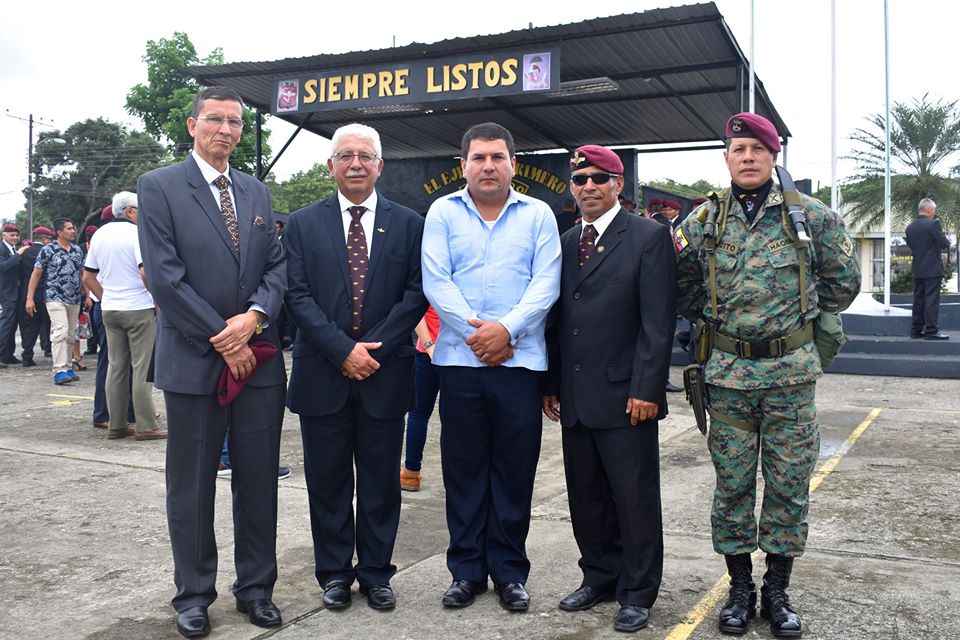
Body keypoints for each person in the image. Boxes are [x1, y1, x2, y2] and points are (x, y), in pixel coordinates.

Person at [675, 112, 860, 638]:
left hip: (790, 378)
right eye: (739, 149)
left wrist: (795, 321)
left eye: (758, 148)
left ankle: (777, 591)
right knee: (731, 486)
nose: (748, 157)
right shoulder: (704, 220)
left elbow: (843, 282)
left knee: (788, 486)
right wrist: (721, 324)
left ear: (774, 155)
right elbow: (682, 284)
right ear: (727, 158)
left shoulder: (812, 217)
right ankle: (740, 590)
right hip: (728, 378)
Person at [137, 85, 287, 638]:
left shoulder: (256, 191)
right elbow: (165, 276)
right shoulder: (159, 186)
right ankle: (194, 594)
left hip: (258, 362)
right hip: (196, 361)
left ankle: (257, 589)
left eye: (234, 122)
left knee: (258, 482)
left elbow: (276, 268)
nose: (225, 130)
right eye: (215, 119)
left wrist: (253, 319)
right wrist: (224, 337)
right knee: (192, 486)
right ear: (192, 125)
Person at [284, 122, 426, 612]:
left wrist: (372, 352)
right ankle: (335, 575)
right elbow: (296, 295)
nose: (356, 164)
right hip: (322, 373)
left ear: (380, 165)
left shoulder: (409, 223)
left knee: (381, 481)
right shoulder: (303, 223)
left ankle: (376, 573)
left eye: (365, 156)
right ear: (331, 166)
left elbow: (415, 294)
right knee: (327, 482)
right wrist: (343, 350)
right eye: (345, 155)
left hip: (384, 374)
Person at [422, 122, 561, 612]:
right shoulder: (442, 212)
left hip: (518, 365)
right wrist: (480, 335)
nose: (488, 166)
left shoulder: (538, 215)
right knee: (463, 470)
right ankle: (465, 571)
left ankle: (509, 572)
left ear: (513, 165)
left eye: (497, 157)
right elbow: (436, 280)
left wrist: (507, 331)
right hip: (460, 364)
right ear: (463, 165)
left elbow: (546, 284)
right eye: (478, 158)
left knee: (513, 470)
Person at [543, 145, 676, 633]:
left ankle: (637, 592)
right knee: (587, 496)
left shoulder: (647, 236)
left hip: (627, 396)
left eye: (600, 178)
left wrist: (648, 389)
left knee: (634, 499)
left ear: (619, 184)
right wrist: (551, 383)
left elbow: (657, 322)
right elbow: (557, 318)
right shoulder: (565, 240)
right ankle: (599, 575)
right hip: (575, 394)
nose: (589, 187)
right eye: (580, 179)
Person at [82, 191, 165, 441]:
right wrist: (155, 299)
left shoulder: (99, 234)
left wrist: (107, 297)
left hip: (110, 308)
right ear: (129, 211)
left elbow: (88, 276)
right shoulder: (137, 234)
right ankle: (146, 425)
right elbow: (144, 273)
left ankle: (116, 424)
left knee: (116, 366)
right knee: (142, 368)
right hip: (137, 307)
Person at [25, 218, 85, 385]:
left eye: (73, 228)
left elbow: (81, 274)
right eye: (69, 228)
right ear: (59, 232)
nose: (73, 231)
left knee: (71, 334)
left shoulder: (76, 250)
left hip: (74, 297)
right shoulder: (48, 250)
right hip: (54, 296)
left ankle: (67, 367)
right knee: (61, 331)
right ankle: (59, 369)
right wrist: (29, 298)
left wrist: (87, 295)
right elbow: (36, 274)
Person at [400, 305, 440, 492]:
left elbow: (418, 312)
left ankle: (411, 474)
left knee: (419, 414)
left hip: (426, 351)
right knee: (457, 417)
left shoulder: (428, 283)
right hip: (459, 354)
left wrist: (428, 345)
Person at [905, 198, 951, 340]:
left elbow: (913, 246)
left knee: (918, 300)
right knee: (932, 300)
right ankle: (931, 331)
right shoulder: (933, 224)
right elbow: (943, 244)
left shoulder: (910, 227)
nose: (934, 213)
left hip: (918, 268)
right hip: (932, 269)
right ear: (930, 210)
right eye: (934, 211)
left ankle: (916, 331)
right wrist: (947, 240)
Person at [16, 226, 54, 368]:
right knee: (51, 324)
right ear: (45, 239)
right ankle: (52, 352)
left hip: (26, 294)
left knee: (29, 326)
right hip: (45, 294)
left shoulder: (24, 252)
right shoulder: (48, 252)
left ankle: (27, 356)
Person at [0, 223, 28, 367]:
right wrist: (18, 254)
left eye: (17, 235)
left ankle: (8, 355)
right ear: (3, 235)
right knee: (5, 324)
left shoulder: (13, 248)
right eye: (12, 235)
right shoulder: (2, 249)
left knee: (12, 324)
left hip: (16, 292)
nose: (15, 238)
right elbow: (3, 267)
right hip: (6, 291)